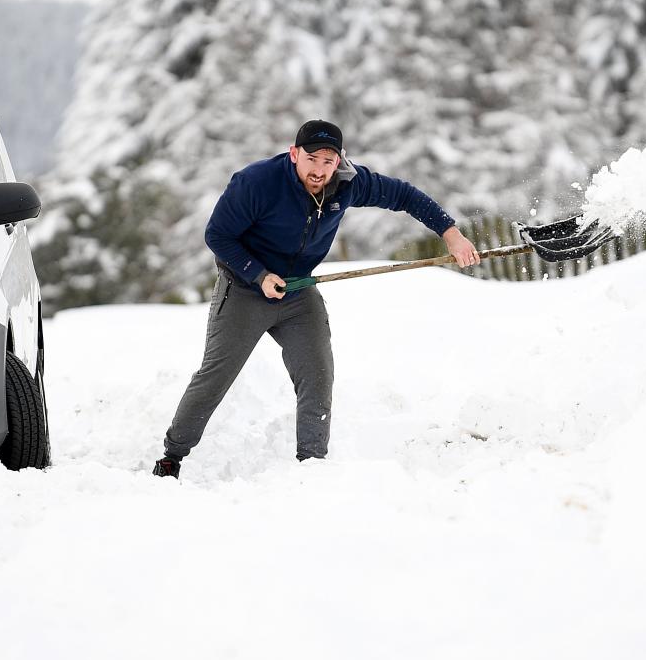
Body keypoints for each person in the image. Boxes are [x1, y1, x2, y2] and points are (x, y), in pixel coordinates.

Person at [152, 119, 480, 478]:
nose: (320, 170)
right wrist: (258, 274)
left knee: (318, 374)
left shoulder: (348, 183)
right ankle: (173, 455)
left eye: (329, 161)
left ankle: (311, 465)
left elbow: (404, 195)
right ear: (295, 154)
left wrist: (450, 233)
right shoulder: (257, 183)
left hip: (298, 291)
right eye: (312, 159)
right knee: (217, 374)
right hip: (245, 289)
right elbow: (217, 234)